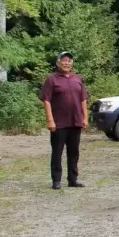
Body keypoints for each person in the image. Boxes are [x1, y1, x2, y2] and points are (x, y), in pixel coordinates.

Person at [39, 51, 89, 190]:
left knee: (74, 152)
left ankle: (73, 179)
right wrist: (50, 120)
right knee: (57, 152)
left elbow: (83, 99)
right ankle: (56, 180)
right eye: (63, 60)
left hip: (75, 121)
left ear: (72, 63)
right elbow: (46, 100)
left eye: (69, 60)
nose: (66, 63)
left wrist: (85, 118)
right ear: (58, 63)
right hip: (59, 123)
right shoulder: (52, 79)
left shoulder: (77, 78)